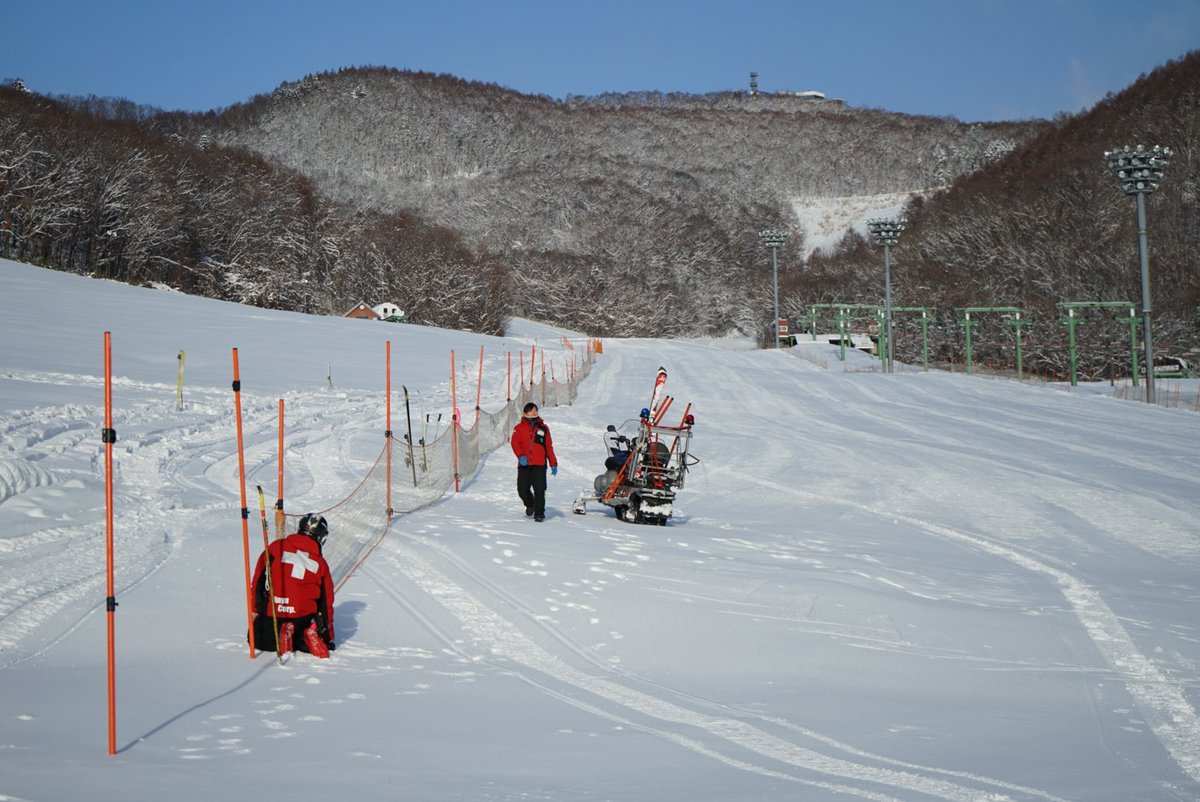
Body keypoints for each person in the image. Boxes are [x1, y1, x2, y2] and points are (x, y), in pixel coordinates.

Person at [250, 513, 336, 657]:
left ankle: (285, 635)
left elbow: (258, 581)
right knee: (305, 626)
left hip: (273, 615)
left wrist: (255, 610)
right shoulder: (321, 564)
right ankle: (306, 636)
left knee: (257, 637)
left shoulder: (276, 547)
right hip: (300, 618)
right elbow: (326, 603)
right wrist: (328, 636)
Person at [510, 402, 558, 522]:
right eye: (531, 410)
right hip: (524, 465)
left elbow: (548, 446)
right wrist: (520, 456)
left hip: (539, 465)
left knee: (540, 489)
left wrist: (553, 463)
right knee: (522, 489)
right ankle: (530, 504)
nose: (534, 412)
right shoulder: (519, 428)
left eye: (535, 410)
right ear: (525, 412)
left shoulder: (543, 428)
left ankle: (539, 513)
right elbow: (515, 443)